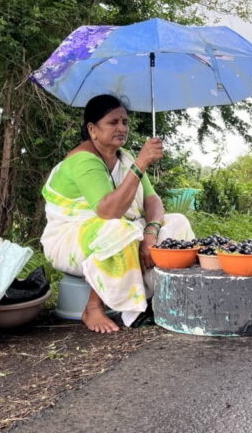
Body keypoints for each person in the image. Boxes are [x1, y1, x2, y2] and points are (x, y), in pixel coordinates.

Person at [40, 94, 195, 333]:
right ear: (92, 129)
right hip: (70, 240)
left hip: (121, 229)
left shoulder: (124, 158)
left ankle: (162, 297)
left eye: (124, 122)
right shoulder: (84, 161)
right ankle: (94, 307)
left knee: (178, 223)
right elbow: (109, 212)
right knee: (119, 229)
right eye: (113, 122)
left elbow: (153, 201)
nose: (122, 128)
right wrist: (142, 163)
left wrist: (151, 233)